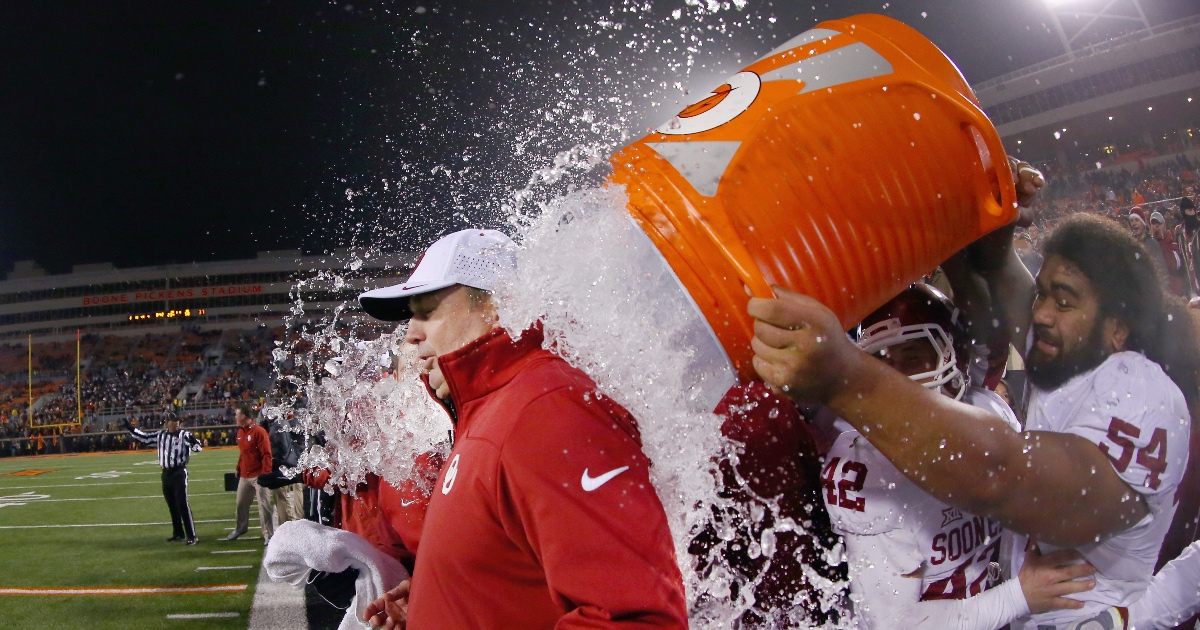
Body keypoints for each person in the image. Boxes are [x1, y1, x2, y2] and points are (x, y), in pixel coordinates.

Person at [749, 214, 1194, 628]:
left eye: (1062, 302)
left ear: (1118, 328)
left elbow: (1002, 477)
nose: (1040, 314)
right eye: (1042, 295)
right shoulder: (1069, 360)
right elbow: (1003, 297)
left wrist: (846, 379)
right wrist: (981, 232)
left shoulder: (1140, 397)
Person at [357, 228, 687, 629]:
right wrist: (446, 594)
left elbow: (631, 618)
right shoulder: (493, 407)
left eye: (427, 310)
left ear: (499, 306)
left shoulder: (547, 409)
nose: (410, 334)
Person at [823, 284, 1095, 629]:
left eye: (911, 357)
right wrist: (1018, 596)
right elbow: (893, 624)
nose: (893, 379)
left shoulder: (987, 413)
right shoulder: (865, 467)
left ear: (955, 354)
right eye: (880, 361)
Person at [127, 412, 203, 544]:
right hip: (166, 473)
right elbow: (144, 438)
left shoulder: (184, 434)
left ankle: (192, 535)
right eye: (173, 421)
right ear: (167, 422)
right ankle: (178, 533)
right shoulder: (160, 435)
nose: (176, 423)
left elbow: (197, 447)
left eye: (177, 420)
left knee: (182, 504)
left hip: (179, 472)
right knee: (172, 505)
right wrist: (131, 428)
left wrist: (194, 444)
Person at [226, 405, 274, 544]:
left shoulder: (259, 432)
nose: (235, 417)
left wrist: (265, 474)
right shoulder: (240, 432)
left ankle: (268, 534)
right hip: (245, 475)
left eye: (237, 414)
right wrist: (238, 467)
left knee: (263, 506)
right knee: (241, 503)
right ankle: (241, 528)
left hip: (259, 475)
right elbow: (243, 453)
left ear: (244, 416)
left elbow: (266, 454)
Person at [266, 413, 305, 526]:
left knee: (283, 495)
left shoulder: (280, 426)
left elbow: (283, 447)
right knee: (297, 490)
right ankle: (298, 516)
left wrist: (280, 462)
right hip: (297, 461)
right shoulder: (297, 423)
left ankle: (287, 523)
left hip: (286, 463)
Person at [1150, 211, 1185, 297]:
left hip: (1175, 289)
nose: (1157, 226)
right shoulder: (1149, 245)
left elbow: (1176, 265)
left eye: (1159, 223)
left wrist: (1162, 242)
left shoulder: (1173, 244)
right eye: (1154, 223)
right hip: (1160, 290)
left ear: (1164, 225)